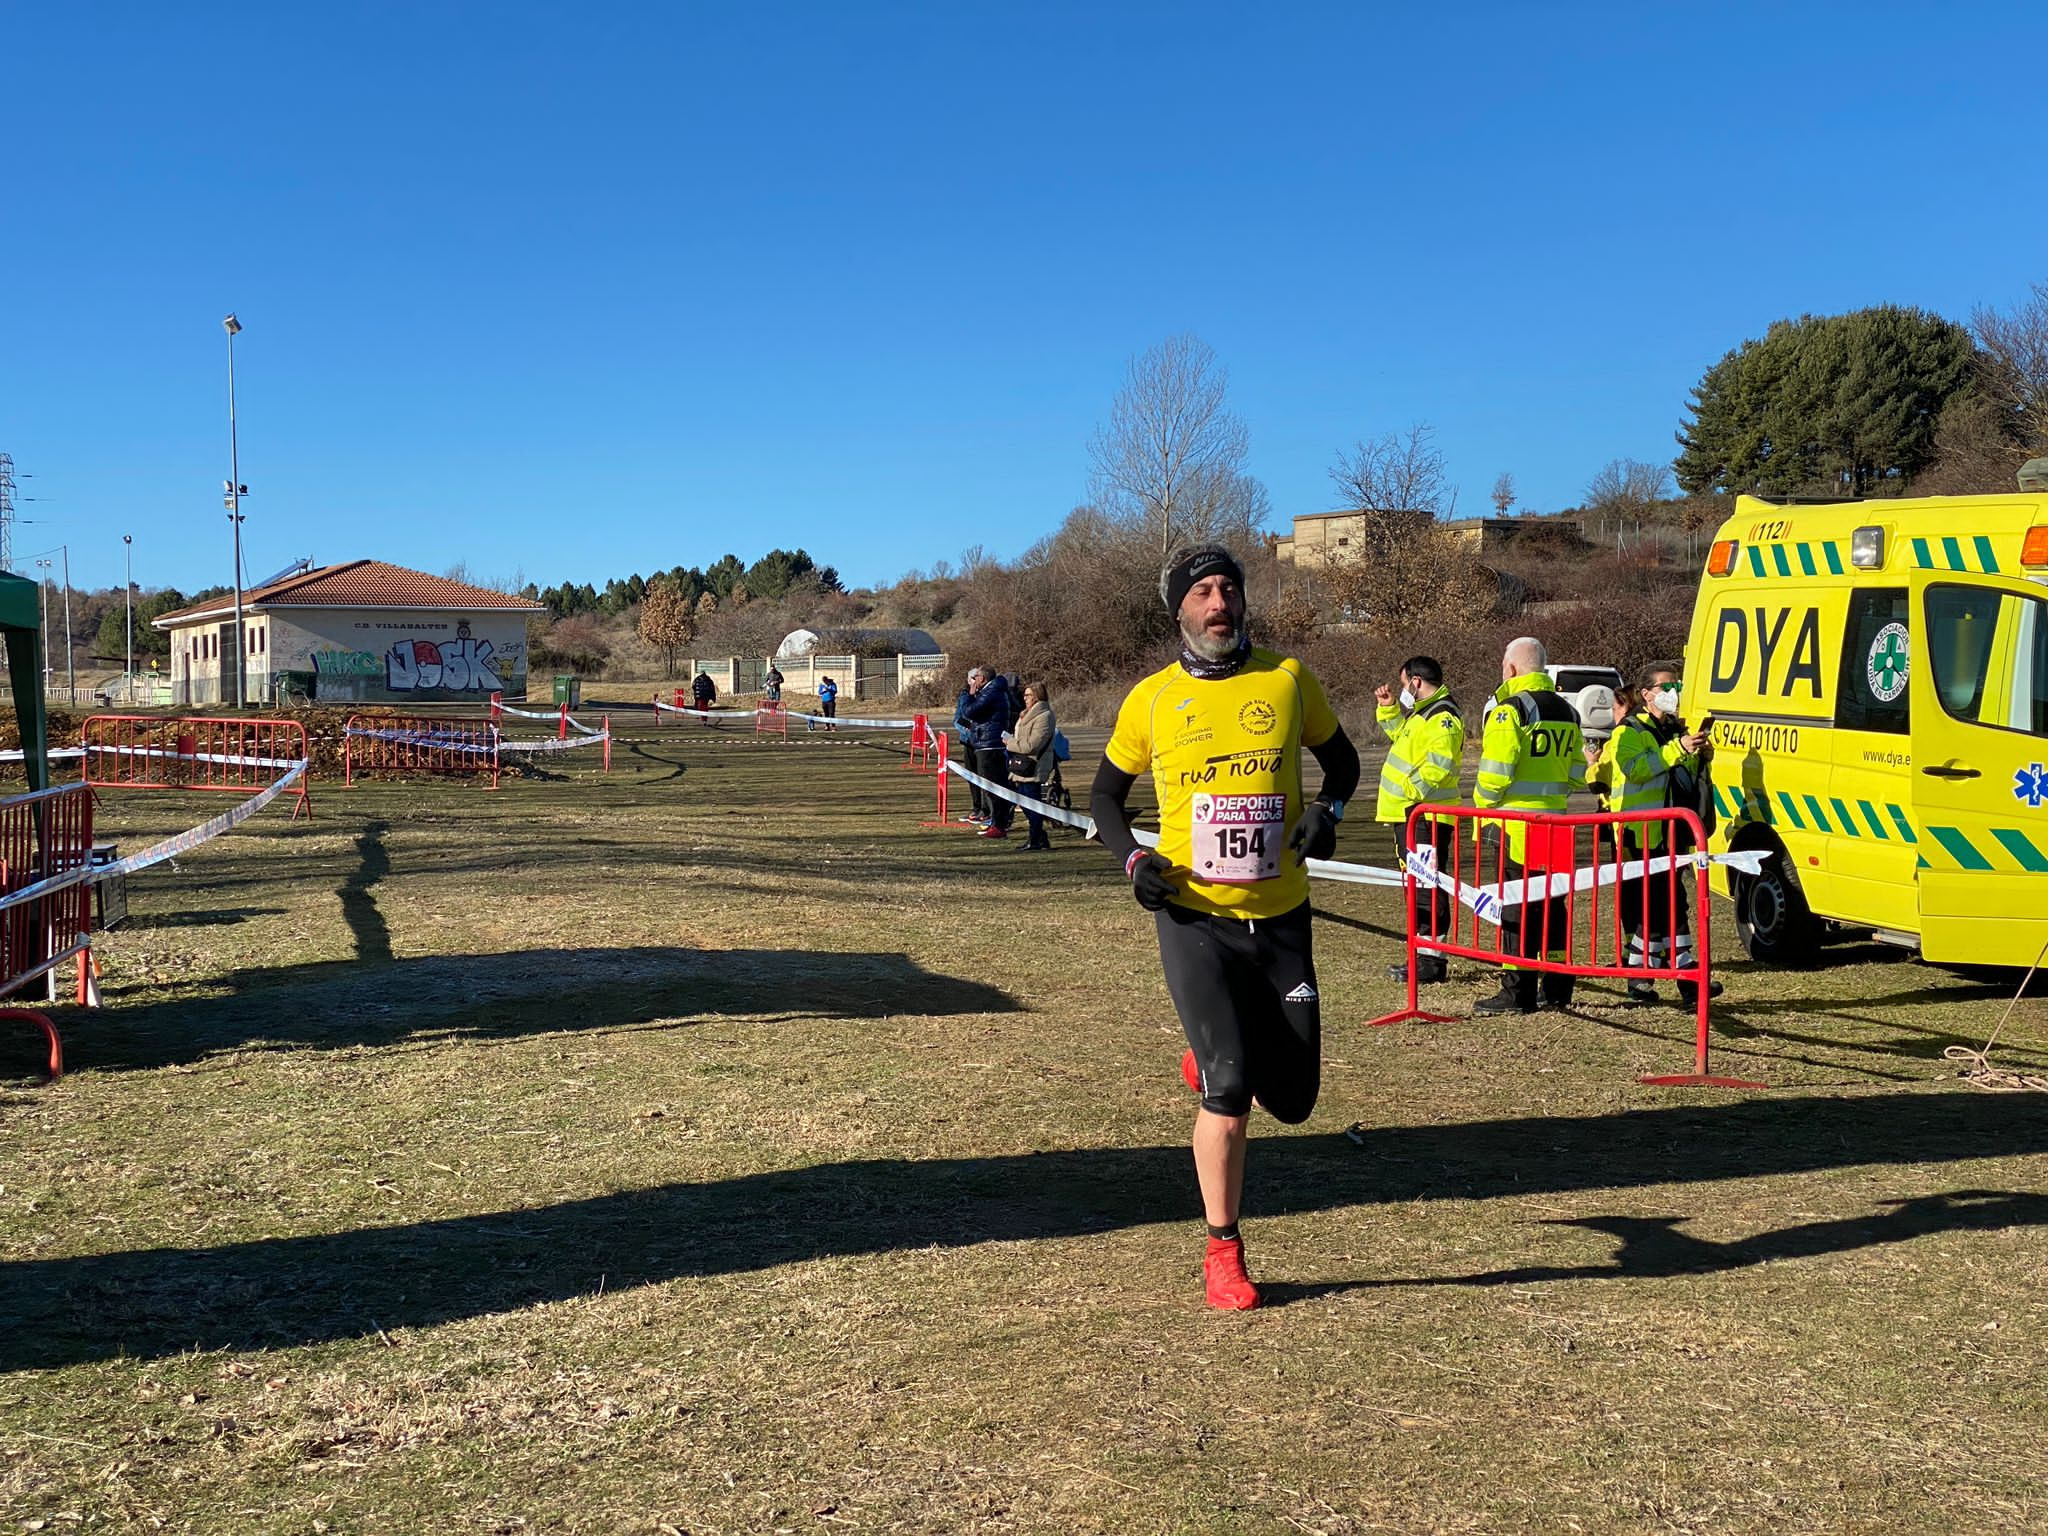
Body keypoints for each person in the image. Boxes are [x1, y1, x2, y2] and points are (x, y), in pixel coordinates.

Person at [1091, 544, 1360, 1311]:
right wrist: (1133, 862)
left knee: (1299, 1098)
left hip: (1280, 918)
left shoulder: (1287, 680)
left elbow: (1341, 767)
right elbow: (1106, 801)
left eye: (1230, 590)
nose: (1220, 603)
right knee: (1232, 1090)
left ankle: (1211, 1058)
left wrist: (1325, 812)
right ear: (1179, 609)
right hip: (1193, 917)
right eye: (1203, 591)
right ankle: (1223, 1249)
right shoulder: (1151, 699)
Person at [1471, 636, 1586, 1017]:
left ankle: (1516, 991)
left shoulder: (1510, 710)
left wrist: (1483, 806)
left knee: (1516, 910)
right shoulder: (1569, 712)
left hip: (1515, 826)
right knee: (1554, 907)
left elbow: (1494, 776)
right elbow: (1575, 775)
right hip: (1557, 823)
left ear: (1511, 668)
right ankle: (1556, 988)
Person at [1598, 663, 1723, 1006]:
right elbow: (1637, 770)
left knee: (1670, 906)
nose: (1674, 693)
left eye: (1678, 685)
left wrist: (1700, 756)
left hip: (1672, 832)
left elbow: (1680, 776)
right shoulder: (1628, 732)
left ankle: (1652, 979)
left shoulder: (1672, 729)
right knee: (1659, 907)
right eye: (1667, 687)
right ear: (1646, 694)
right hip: (1639, 833)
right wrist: (1679, 748)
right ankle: (1675, 978)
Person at [1373, 656, 1464, 985]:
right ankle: (1423, 955)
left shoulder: (1443, 717)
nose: (1402, 691)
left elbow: (1439, 765)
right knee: (1418, 886)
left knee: (1427, 886)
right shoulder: (1423, 714)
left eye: (1402, 685)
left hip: (1426, 815)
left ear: (1415, 682)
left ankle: (1430, 961)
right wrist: (1388, 710)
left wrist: (1411, 793)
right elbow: (1404, 741)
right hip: (1412, 814)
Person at [958, 666, 1014, 838]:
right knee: (989, 787)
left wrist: (968, 695)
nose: (973, 681)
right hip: (984, 742)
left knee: (992, 788)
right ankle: (997, 822)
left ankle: (999, 824)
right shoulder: (991, 691)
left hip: (990, 745)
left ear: (983, 678)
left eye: (976, 677)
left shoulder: (991, 692)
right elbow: (966, 717)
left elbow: (969, 711)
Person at [1004, 680, 1057, 851]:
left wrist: (1009, 743)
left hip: (1034, 764)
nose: (1024, 698)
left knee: (1031, 803)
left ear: (1036, 696)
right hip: (1021, 763)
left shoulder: (1045, 716)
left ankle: (1036, 839)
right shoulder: (1025, 714)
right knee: (1023, 801)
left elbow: (1031, 745)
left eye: (1028, 695)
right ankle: (1039, 837)